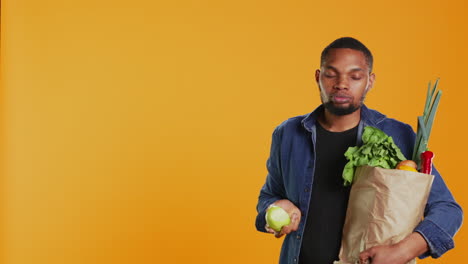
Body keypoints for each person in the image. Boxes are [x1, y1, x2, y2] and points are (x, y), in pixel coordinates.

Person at [254, 37, 463, 264]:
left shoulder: (398, 136)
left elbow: (448, 210)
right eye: (331, 74)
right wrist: (274, 207)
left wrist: (402, 252)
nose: (342, 84)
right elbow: (269, 196)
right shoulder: (288, 134)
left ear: (370, 81)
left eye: (355, 76)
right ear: (318, 77)